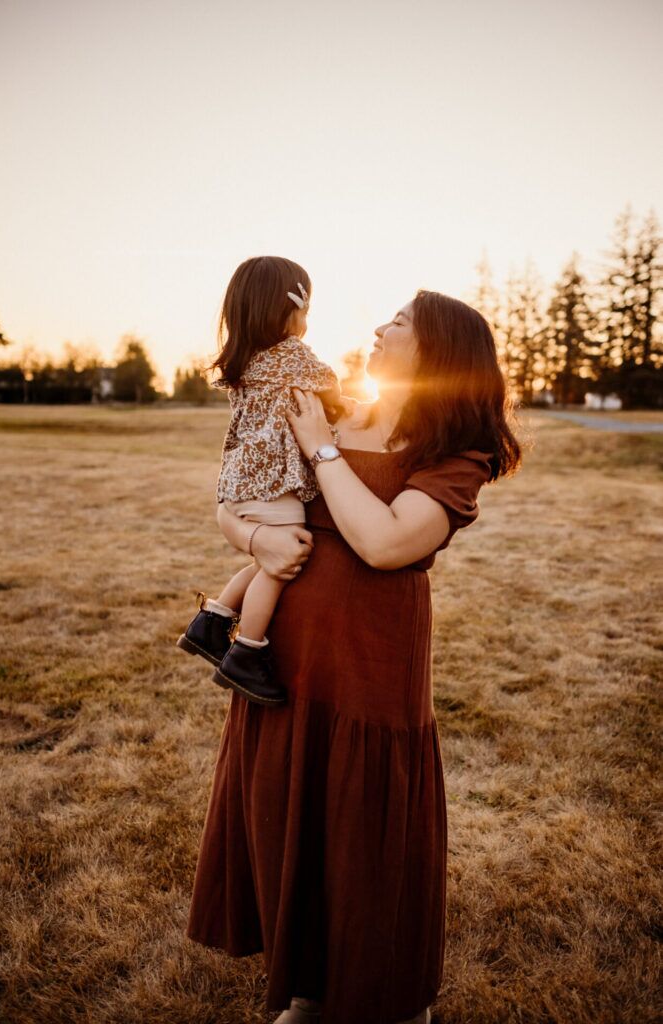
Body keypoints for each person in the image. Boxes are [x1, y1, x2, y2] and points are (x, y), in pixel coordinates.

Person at [186, 289, 523, 1024]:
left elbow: (384, 542)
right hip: (284, 654)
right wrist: (254, 539)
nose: (378, 327)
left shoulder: (453, 454)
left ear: (437, 349)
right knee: (290, 810)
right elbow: (237, 494)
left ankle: (391, 1001)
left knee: (361, 832)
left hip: (371, 656)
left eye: (398, 321)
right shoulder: (329, 410)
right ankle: (307, 990)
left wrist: (323, 451)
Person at [176, 255, 346, 705]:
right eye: (306, 310)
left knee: (265, 559)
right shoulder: (291, 355)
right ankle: (247, 651)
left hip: (241, 482)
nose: (307, 322)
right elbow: (331, 387)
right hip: (272, 484)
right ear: (288, 310)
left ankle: (212, 622)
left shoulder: (246, 361)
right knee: (280, 564)